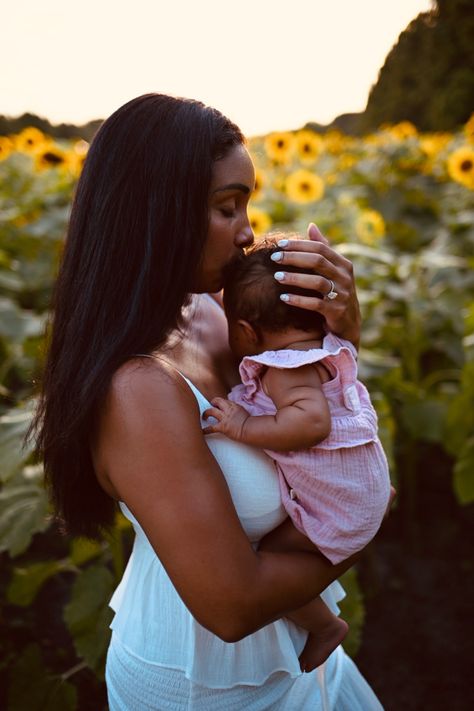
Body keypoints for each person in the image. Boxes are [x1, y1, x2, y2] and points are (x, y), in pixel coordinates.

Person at [31, 93, 385, 709]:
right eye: (227, 208)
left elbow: (317, 424)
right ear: (156, 214)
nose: (247, 231)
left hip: (297, 644)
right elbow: (232, 603)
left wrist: (337, 338)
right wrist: (364, 522)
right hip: (206, 682)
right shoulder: (140, 387)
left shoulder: (215, 311)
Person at [202, 238, 392, 672]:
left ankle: (326, 626)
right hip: (361, 492)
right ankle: (326, 624)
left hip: (341, 507)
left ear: (247, 332)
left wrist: (243, 426)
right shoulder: (322, 346)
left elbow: (311, 424)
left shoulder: (287, 369)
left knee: (266, 561)